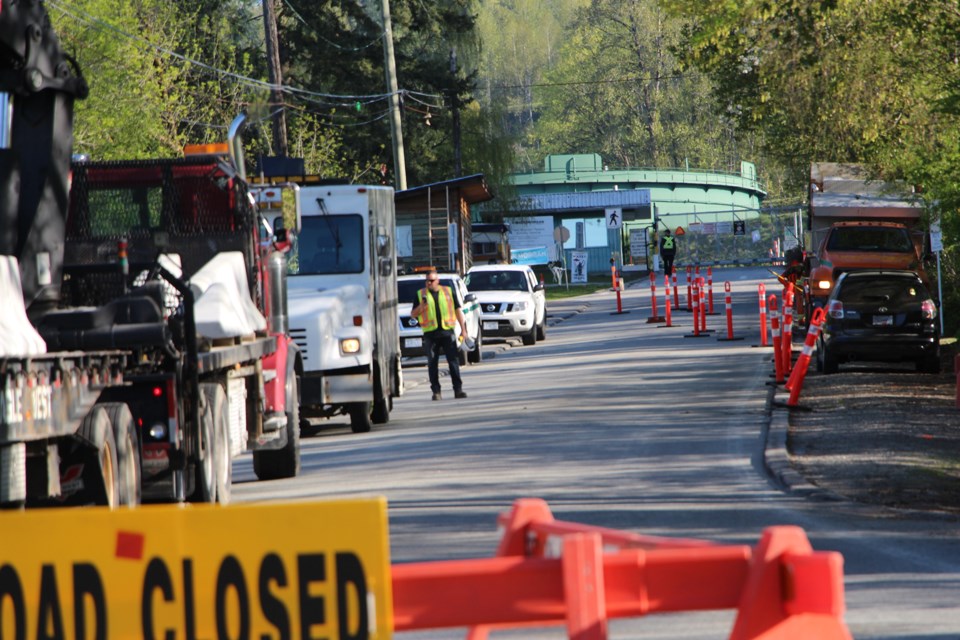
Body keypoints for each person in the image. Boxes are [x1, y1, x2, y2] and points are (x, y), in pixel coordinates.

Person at [410, 270, 470, 400]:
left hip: (447, 332)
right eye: (427, 281)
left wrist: (464, 330)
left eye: (431, 280)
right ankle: (436, 392)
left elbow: (458, 310)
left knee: (453, 361)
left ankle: (458, 390)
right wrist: (421, 306)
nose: (429, 283)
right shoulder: (420, 295)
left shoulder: (448, 291)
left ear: (437, 280)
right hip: (430, 334)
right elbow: (413, 314)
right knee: (432, 364)